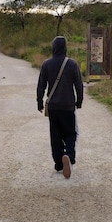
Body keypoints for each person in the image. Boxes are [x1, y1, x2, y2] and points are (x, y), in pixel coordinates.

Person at [37, 36, 84, 179]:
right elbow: (79, 85)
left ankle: (59, 163)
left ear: (53, 48)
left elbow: (41, 86)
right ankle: (68, 155)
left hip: (53, 107)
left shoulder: (46, 64)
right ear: (65, 48)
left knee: (55, 136)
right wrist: (79, 101)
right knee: (70, 133)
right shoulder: (72, 64)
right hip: (68, 106)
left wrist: (39, 102)